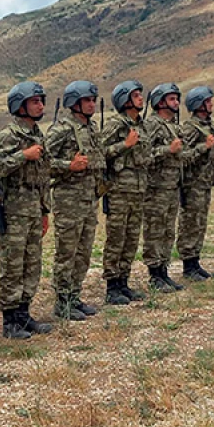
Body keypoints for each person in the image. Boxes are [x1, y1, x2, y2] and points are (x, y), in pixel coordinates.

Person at [0, 81, 54, 339]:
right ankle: (9, 321)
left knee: (32, 264)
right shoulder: (8, 136)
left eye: (41, 100)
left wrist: (44, 210)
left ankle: (24, 314)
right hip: (14, 210)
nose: (40, 105)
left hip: (33, 208)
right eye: (35, 101)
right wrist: (23, 156)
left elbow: (43, 175)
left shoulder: (38, 135)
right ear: (20, 105)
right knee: (13, 265)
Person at [46, 80, 106, 320]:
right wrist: (68, 166)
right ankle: (62, 302)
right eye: (87, 101)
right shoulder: (60, 130)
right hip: (68, 202)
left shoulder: (92, 129)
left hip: (89, 199)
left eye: (93, 100)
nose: (92, 105)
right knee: (66, 252)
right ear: (74, 103)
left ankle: (74, 295)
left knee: (84, 252)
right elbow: (42, 163)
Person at [101, 80, 149, 305]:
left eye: (141, 95)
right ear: (125, 99)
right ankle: (112, 287)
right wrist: (125, 145)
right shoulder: (115, 124)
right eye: (136, 95)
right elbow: (100, 152)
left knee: (131, 239)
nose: (141, 98)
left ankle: (123, 281)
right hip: (119, 191)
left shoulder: (141, 125)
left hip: (139, 190)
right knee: (117, 238)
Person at [141, 83, 187, 293]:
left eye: (177, 99)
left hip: (172, 186)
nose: (176, 102)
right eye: (171, 99)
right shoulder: (152, 124)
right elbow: (143, 155)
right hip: (156, 188)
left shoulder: (174, 126)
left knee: (168, 231)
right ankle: (154, 274)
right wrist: (167, 150)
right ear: (160, 102)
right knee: (155, 230)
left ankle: (163, 270)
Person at [177, 86, 214, 281]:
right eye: (208, 101)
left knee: (200, 224)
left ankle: (195, 262)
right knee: (190, 224)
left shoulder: (207, 125)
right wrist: (203, 147)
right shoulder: (190, 128)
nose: (211, 103)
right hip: (192, 185)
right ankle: (188, 265)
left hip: (203, 184)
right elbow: (182, 157)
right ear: (199, 104)